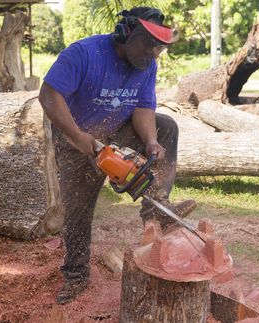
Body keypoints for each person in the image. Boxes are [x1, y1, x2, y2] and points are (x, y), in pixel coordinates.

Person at [39, 6, 196, 305]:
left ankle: (156, 211)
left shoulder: (147, 64)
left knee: (166, 128)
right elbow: (48, 95)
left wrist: (149, 141)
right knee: (77, 211)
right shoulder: (83, 54)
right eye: (148, 45)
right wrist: (78, 137)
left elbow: (143, 106)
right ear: (125, 34)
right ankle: (76, 276)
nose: (152, 53)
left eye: (157, 48)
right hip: (75, 133)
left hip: (117, 126)